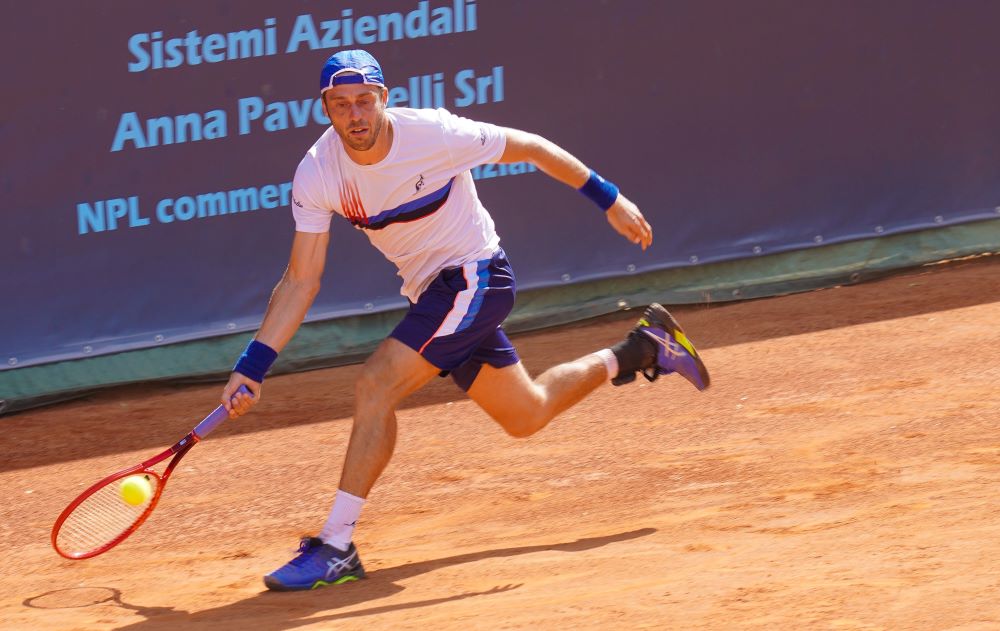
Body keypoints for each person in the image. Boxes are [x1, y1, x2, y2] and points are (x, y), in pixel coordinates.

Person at [220, 49, 710, 591]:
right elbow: (301, 280)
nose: (354, 115)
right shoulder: (318, 172)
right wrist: (253, 365)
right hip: (431, 294)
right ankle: (643, 349)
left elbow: (530, 147)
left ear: (384, 98)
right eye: (341, 105)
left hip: (475, 276)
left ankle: (337, 546)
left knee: (375, 384)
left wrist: (609, 199)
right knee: (526, 413)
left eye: (364, 101)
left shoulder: (433, 134)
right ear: (326, 109)